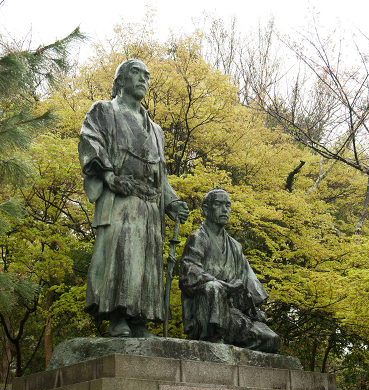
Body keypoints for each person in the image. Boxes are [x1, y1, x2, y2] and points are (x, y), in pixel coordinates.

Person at [79, 59, 190, 337]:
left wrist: (172, 201)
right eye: (135, 73)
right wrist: (108, 176)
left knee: (147, 261)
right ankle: (117, 316)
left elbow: (160, 174)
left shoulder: (156, 130)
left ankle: (139, 319)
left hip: (150, 205)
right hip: (121, 197)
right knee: (121, 254)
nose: (143, 79)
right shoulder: (104, 111)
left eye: (147, 75)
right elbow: (91, 143)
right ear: (119, 81)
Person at [179, 188, 280, 352]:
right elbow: (188, 273)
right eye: (218, 204)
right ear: (206, 209)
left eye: (228, 205)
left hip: (231, 313)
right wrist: (222, 284)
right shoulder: (198, 238)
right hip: (205, 311)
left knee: (271, 341)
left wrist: (255, 310)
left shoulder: (235, 246)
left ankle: (237, 353)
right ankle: (213, 338)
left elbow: (248, 284)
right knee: (213, 288)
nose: (225, 209)